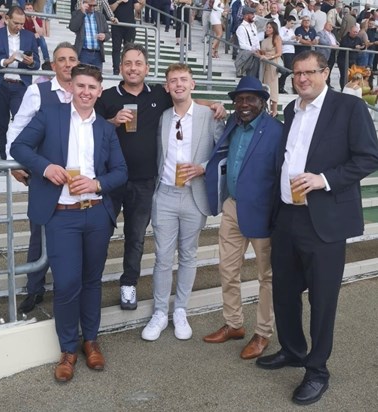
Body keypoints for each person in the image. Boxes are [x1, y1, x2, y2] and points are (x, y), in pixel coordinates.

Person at [256, 50, 378, 405]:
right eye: (297, 73)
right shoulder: (293, 109)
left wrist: (324, 179)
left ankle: (317, 369)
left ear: (326, 72)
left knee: (323, 300)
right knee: (284, 292)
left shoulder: (349, 107)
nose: (303, 78)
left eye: (310, 72)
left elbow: (369, 156)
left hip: (324, 220)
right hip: (288, 217)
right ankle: (293, 350)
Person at [10, 64, 128, 382]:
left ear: (99, 91)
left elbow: (120, 171)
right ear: (71, 87)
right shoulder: (51, 115)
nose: (86, 92)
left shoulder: (105, 128)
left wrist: (97, 184)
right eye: (81, 86)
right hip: (61, 215)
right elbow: (18, 146)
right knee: (66, 285)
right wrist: (45, 166)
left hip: (96, 214)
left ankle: (90, 340)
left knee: (92, 281)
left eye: (92, 87)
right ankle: (68, 349)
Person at [95, 43, 226, 311]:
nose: (133, 68)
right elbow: (88, 128)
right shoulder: (106, 97)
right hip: (109, 180)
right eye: (128, 63)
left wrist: (212, 104)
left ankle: (128, 283)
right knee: (99, 234)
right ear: (120, 68)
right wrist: (111, 121)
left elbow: (186, 100)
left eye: (138, 63)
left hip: (144, 182)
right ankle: (91, 284)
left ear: (146, 68)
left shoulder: (159, 94)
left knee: (136, 237)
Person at [141, 64, 225, 341]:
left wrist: (202, 167)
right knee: (163, 257)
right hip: (164, 194)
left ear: (192, 85)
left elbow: (221, 153)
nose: (178, 84)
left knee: (188, 255)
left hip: (193, 195)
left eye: (183, 80)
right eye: (173, 80)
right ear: (166, 87)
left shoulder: (209, 116)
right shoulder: (162, 117)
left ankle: (181, 310)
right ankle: (159, 312)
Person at [203, 76, 282, 360]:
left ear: (262, 101)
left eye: (250, 99)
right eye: (239, 99)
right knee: (227, 269)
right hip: (233, 207)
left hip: (263, 213)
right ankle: (234, 324)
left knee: (267, 277)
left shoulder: (276, 131)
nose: (244, 104)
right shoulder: (232, 124)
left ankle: (262, 333)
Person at [6, 42, 79, 313]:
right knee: (39, 235)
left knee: (71, 237)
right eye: (62, 59)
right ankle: (34, 288)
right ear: (53, 64)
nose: (68, 64)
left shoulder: (87, 91)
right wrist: (13, 163)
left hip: (77, 179)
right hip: (45, 175)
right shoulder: (38, 91)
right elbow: (17, 127)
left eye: (72, 59)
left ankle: (66, 288)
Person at [0, 5, 40, 161]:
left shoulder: (29, 36)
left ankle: (21, 155)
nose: (19, 27)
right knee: (1, 124)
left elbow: (37, 64)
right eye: (16, 23)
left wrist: (30, 62)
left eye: (22, 23)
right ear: (7, 19)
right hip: (0, 85)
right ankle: (4, 157)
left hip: (20, 85)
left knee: (22, 122)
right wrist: (5, 61)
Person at [69, 0, 111, 70]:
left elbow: (108, 34)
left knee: (97, 79)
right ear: (84, 4)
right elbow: (73, 27)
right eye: (90, 5)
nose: (92, 8)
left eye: (94, 5)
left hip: (97, 54)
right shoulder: (77, 13)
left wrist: (104, 36)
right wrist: (81, 12)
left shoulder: (100, 16)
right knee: (82, 77)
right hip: (83, 52)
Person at [109, 0, 145, 75]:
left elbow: (137, 8)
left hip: (130, 26)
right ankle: (116, 69)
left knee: (129, 50)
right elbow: (110, 9)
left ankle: (127, 68)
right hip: (117, 25)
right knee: (116, 48)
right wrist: (119, 1)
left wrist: (142, 4)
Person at [256, 21, 282, 117]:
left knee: (272, 85)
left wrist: (269, 57)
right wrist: (258, 53)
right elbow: (263, 53)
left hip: (272, 64)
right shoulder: (264, 40)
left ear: (274, 28)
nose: (268, 29)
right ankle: (266, 108)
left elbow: (279, 53)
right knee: (265, 84)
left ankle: (274, 110)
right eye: (267, 27)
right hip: (264, 64)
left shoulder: (277, 38)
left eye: (270, 27)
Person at [235, 6, 260, 77]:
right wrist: (253, 49)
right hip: (248, 57)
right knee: (250, 76)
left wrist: (258, 50)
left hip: (256, 55)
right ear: (246, 15)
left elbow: (256, 40)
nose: (253, 16)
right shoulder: (241, 28)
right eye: (251, 14)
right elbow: (242, 45)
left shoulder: (253, 25)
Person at [279, 16, 297, 94]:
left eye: (293, 23)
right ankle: (280, 85)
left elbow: (293, 40)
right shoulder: (282, 29)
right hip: (285, 51)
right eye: (291, 23)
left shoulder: (292, 30)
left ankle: (281, 85)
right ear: (287, 21)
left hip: (292, 50)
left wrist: (296, 39)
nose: (292, 25)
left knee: (290, 70)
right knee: (287, 69)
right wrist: (291, 38)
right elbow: (281, 39)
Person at [317, 21, 338, 88]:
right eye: (329, 25)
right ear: (325, 25)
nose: (330, 26)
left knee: (330, 68)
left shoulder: (332, 34)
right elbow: (321, 41)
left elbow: (335, 41)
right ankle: (322, 83)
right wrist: (331, 45)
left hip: (332, 53)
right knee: (323, 68)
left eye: (331, 26)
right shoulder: (321, 33)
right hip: (324, 53)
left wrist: (337, 44)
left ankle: (328, 83)